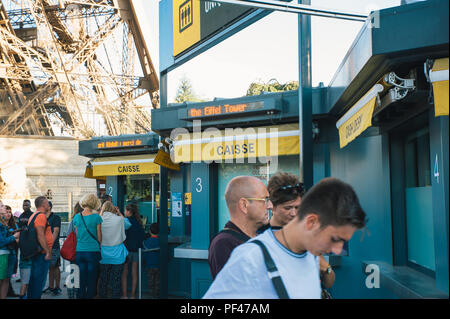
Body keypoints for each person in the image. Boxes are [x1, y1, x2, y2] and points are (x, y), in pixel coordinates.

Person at [203, 177, 367, 299]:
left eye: (297, 207)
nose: (337, 250)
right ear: (311, 222)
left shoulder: (308, 251)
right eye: (334, 238)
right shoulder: (248, 254)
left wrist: (324, 268)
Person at [261, 172, 335, 291]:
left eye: (297, 207)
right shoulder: (259, 236)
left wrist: (325, 268)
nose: (294, 213)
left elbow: (329, 283)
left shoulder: (308, 234)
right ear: (272, 206)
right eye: (287, 208)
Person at [208, 176, 272, 280]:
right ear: (244, 205)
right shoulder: (224, 244)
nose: (270, 205)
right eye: (264, 200)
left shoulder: (261, 235)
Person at [73, 194, 102, 299]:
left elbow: (77, 234)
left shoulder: (76, 217)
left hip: (80, 251)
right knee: (92, 279)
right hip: (93, 251)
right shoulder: (96, 217)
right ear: (95, 203)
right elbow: (99, 237)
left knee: (81, 279)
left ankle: (80, 296)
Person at [98, 201, 129, 299]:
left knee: (103, 280)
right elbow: (128, 224)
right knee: (116, 280)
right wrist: (119, 213)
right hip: (117, 255)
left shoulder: (99, 219)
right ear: (113, 209)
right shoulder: (119, 219)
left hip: (103, 255)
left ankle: (103, 296)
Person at [27, 196, 53, 299]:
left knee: (34, 279)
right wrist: (47, 251)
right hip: (41, 254)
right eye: (47, 203)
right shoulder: (41, 216)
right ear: (43, 205)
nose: (49, 205)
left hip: (37, 253)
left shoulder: (34, 215)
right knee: (39, 281)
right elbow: (40, 235)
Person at [121, 203, 145, 299]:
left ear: (129, 211)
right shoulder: (138, 222)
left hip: (126, 251)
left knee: (124, 274)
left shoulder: (126, 222)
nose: (124, 212)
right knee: (135, 273)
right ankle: (133, 295)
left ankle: (125, 295)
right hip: (136, 251)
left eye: (125, 210)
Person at [0, 202, 20, 299]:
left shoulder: (7, 223)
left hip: (10, 253)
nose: (4, 208)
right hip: (2, 254)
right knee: (2, 279)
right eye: (2, 206)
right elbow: (1, 241)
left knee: (6, 279)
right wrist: (14, 237)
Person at [42, 201, 62, 296]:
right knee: (50, 267)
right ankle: (50, 287)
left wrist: (50, 245)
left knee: (55, 266)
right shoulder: (42, 218)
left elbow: (56, 231)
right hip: (44, 247)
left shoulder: (56, 217)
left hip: (53, 247)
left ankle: (57, 287)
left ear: (49, 207)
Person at [16, 199, 33, 298]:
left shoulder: (32, 215)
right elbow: (18, 227)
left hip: (30, 243)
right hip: (22, 243)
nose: (25, 206)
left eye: (27, 205)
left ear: (30, 206)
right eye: (24, 205)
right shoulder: (21, 216)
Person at [66, 202, 83, 299]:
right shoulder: (86, 219)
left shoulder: (73, 220)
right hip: (83, 250)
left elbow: (69, 234)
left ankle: (72, 296)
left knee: (73, 274)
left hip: (74, 251)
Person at [144, 223, 160, 299]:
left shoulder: (147, 241)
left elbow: (144, 255)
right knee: (158, 282)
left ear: (150, 231)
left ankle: (152, 296)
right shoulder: (161, 241)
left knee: (150, 282)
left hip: (149, 265)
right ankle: (156, 296)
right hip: (158, 265)